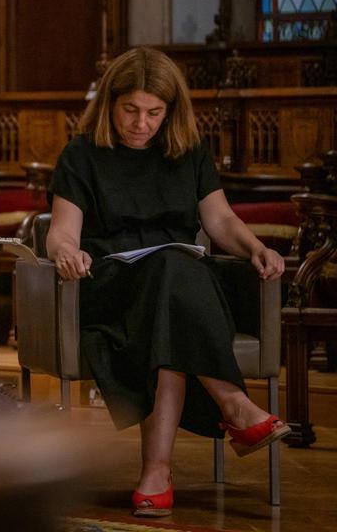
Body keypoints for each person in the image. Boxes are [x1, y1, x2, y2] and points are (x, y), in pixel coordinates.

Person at [45, 47, 288, 518]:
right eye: (131, 110)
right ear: (110, 105)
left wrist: (255, 246)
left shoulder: (188, 150)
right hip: (113, 285)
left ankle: (157, 474)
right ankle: (233, 404)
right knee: (171, 276)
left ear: (170, 110)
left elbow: (219, 221)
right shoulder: (81, 155)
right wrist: (66, 253)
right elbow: (61, 230)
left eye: (155, 112)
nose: (142, 123)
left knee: (173, 278)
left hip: (177, 286)